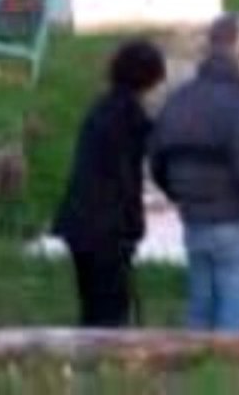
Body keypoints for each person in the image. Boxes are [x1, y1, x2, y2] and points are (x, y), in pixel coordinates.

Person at [150, 14, 239, 332]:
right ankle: (231, 381)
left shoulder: (178, 100)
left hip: (195, 223)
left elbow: (157, 159)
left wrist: (184, 197)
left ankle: (197, 379)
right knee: (238, 332)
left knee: (200, 316)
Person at [52, 39, 167, 328]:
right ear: (149, 79)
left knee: (92, 303)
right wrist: (134, 225)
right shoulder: (130, 117)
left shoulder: (102, 106)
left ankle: (89, 360)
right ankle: (105, 363)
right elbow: (125, 178)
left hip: (79, 220)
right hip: (105, 226)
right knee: (110, 309)